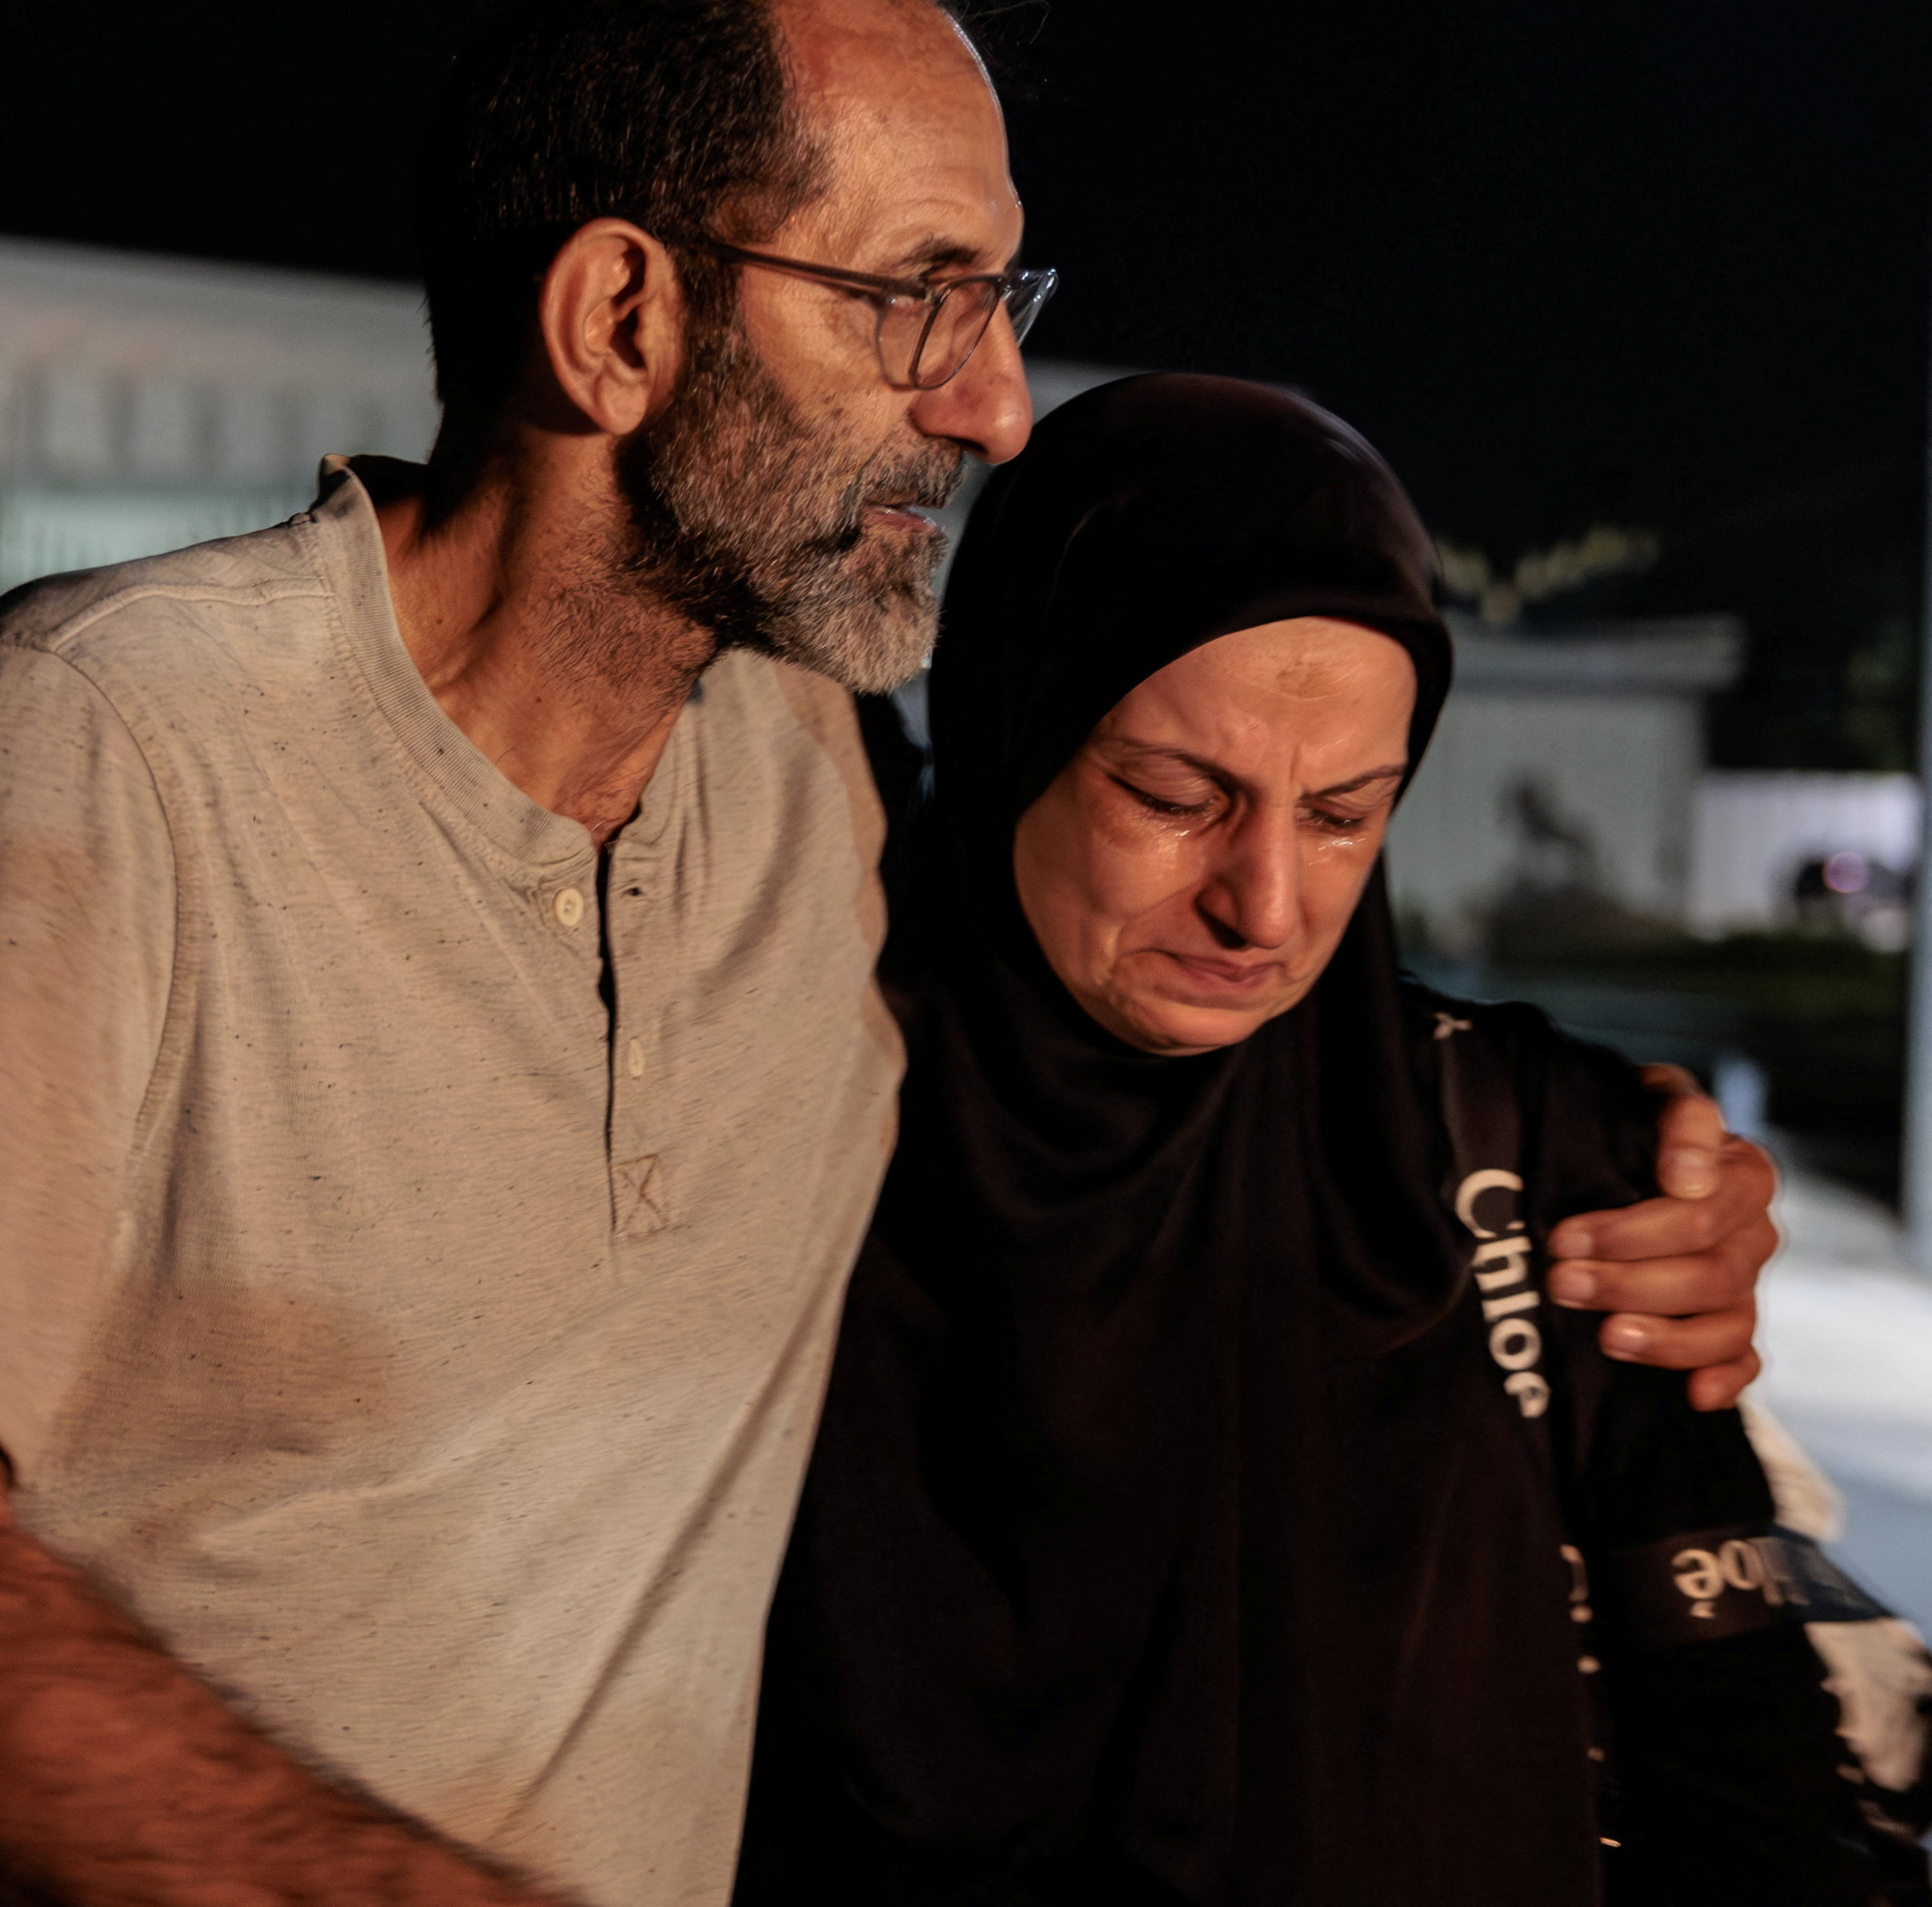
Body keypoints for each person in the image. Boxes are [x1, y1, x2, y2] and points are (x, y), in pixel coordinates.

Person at [0, 0, 1775, 1907]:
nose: (997, 402)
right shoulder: (124, 737)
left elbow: (1142, 1010)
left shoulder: (803, 774)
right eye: (911, 301)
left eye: (998, 298)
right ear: (619, 322)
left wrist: (1606, 1165)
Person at [737, 376, 1916, 1905]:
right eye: (1172, 795)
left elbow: (1747, 1784)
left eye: (1346, 814)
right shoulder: (753, 1133)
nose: (1265, 907)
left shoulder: (1538, 1159)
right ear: (1010, 716)